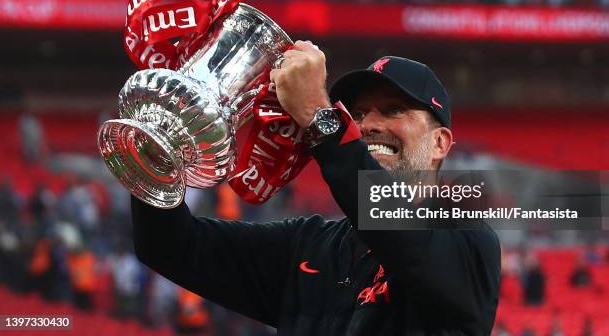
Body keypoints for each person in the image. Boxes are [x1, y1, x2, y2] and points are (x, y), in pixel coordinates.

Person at [131, 41, 501, 334]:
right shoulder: (307, 245)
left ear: (440, 143)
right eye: (356, 114)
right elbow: (170, 245)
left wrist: (318, 117)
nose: (367, 124)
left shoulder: (468, 242)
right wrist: (157, 144)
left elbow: (395, 229)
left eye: (392, 110)